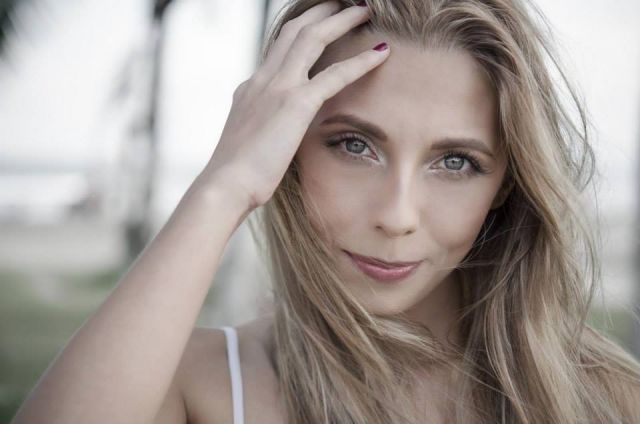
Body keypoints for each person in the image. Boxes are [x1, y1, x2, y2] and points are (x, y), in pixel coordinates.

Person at [10, 0, 640, 423]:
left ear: (505, 183)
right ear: (287, 149)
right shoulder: (202, 384)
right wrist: (223, 188)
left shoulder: (607, 397)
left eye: (455, 162)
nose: (397, 216)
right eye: (354, 146)